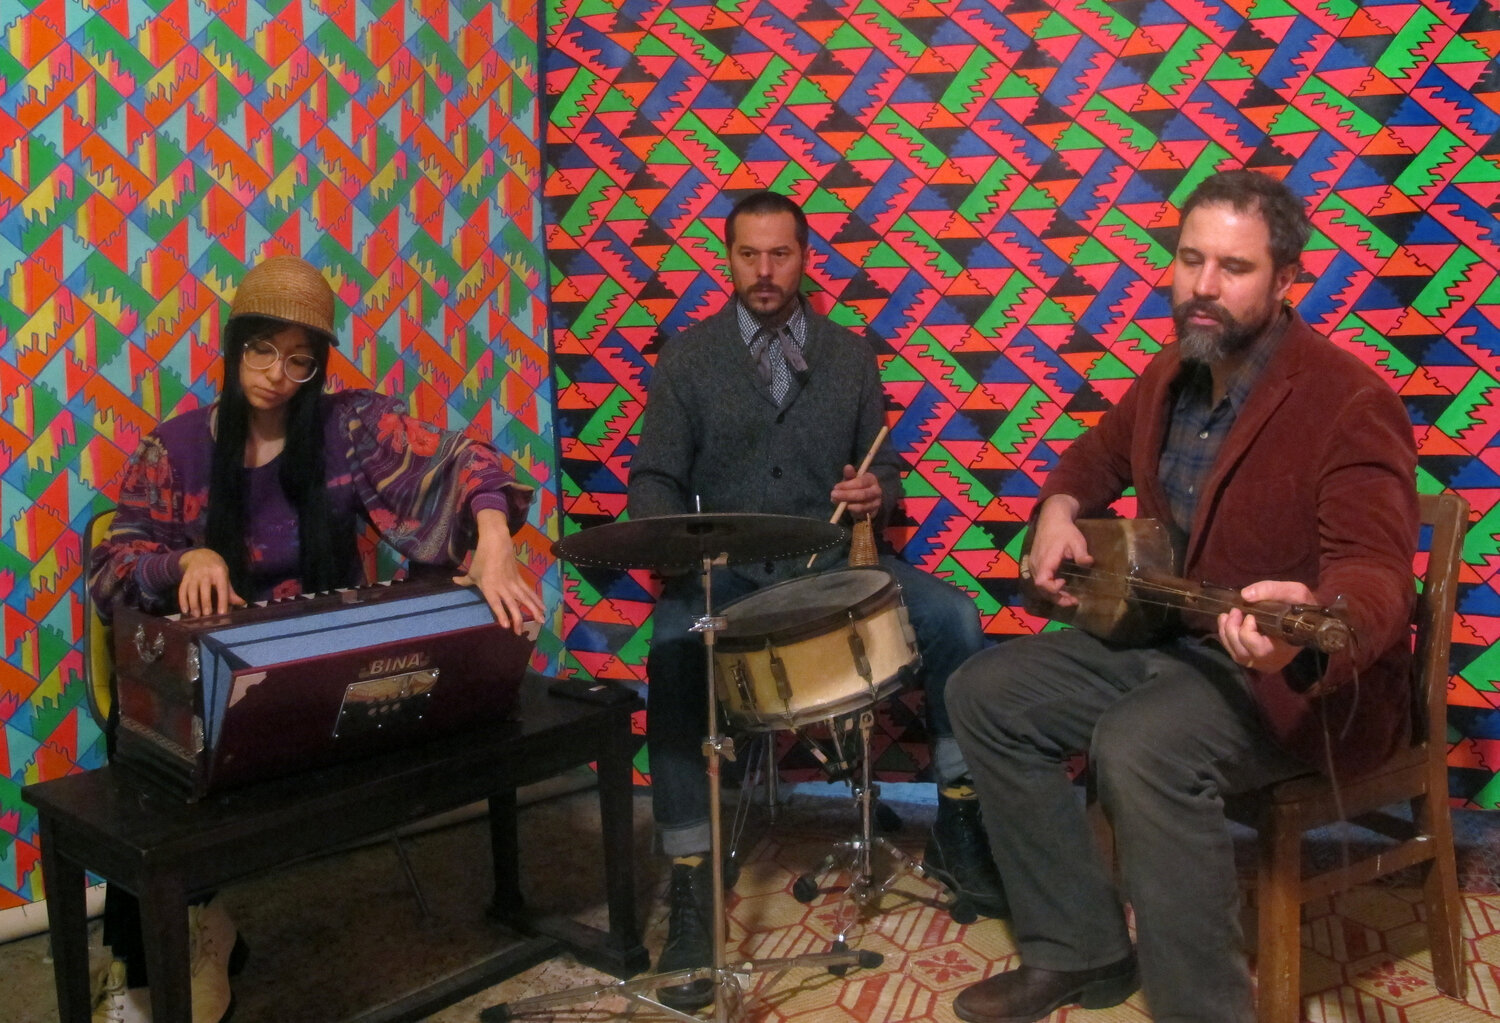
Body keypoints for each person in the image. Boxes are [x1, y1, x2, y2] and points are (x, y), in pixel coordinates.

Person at [944, 169, 1419, 1023]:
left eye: (1233, 267)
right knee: (985, 689)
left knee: (1141, 745)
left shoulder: (1349, 400)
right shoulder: (1172, 371)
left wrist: (1311, 624)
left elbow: (1378, 573)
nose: (1204, 285)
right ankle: (1080, 948)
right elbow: (1094, 457)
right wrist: (1058, 508)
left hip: (1289, 683)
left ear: (1286, 280)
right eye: (1190, 259)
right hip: (1168, 647)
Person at [87, 255, 545, 1022]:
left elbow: (466, 459)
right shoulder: (176, 449)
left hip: (319, 672)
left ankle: (198, 928)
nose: (278, 373)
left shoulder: (348, 427)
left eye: (300, 359)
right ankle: (167, 941)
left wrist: (494, 538)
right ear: (234, 346)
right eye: (262, 349)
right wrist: (185, 560)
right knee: (153, 746)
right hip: (216, 678)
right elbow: (110, 573)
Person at [627, 190, 1003, 1011]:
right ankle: (691, 879)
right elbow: (653, 477)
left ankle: (959, 821)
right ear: (728, 259)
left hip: (833, 563)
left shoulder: (850, 356)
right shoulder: (686, 361)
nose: (764, 271)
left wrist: (876, 490)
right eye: (748, 255)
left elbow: (886, 469)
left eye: (781, 254)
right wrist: (673, 539)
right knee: (671, 649)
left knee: (957, 620)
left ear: (805, 258)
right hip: (726, 574)